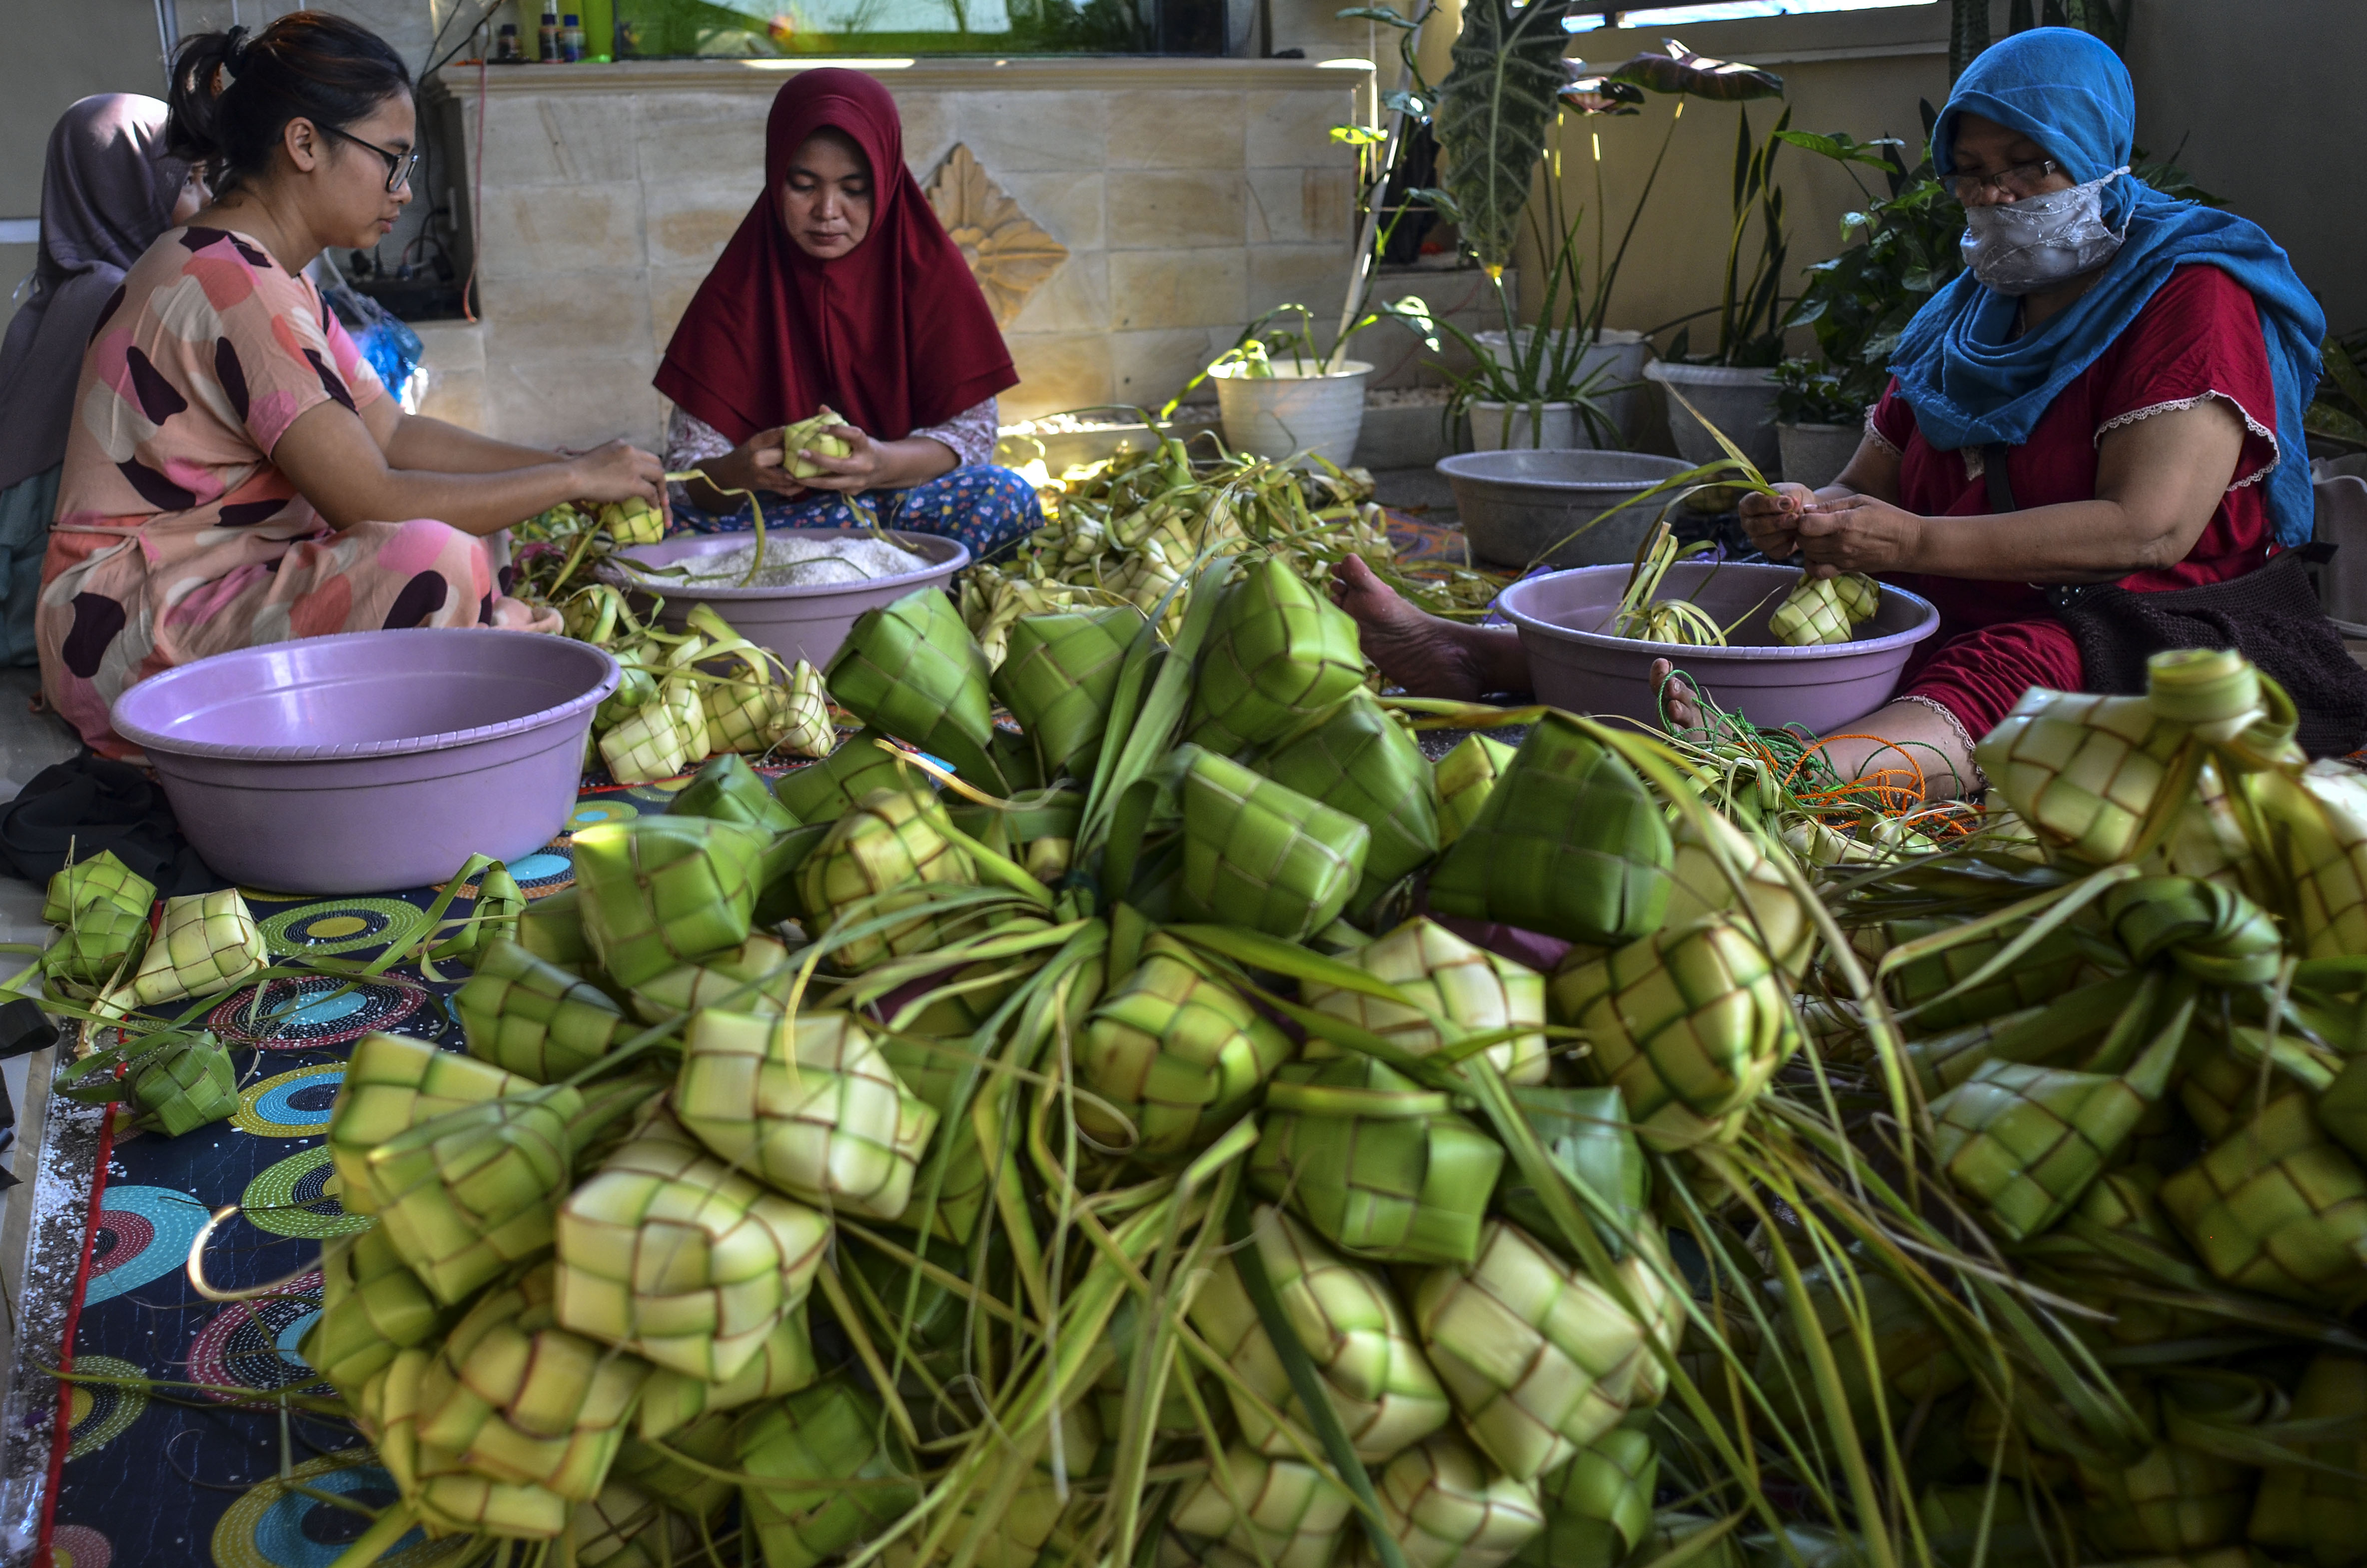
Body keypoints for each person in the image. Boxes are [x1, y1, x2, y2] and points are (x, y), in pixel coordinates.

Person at [1337, 27, 2359, 793]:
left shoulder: (2186, 293)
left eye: (2027, 166)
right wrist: (1805, 515)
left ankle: (1771, 777)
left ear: (2094, 153)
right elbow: (1863, 487)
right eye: (1970, 172)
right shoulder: (1968, 311)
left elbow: (2149, 526)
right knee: (1747, 598)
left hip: (2144, 612)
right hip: (1950, 583)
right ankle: (1486, 653)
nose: (1996, 197)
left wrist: (1907, 540)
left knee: (2013, 662)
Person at [42, 12, 667, 759]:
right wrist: (568, 479)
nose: (403, 192)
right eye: (392, 160)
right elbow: (368, 497)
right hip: (130, 630)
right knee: (436, 557)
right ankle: (480, 647)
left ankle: (479, 639)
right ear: (305, 143)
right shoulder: (231, 283)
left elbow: (394, 433)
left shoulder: (270, 274)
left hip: (205, 590)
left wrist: (571, 463)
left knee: (472, 531)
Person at [655, 68, 1042, 561]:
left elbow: (972, 437)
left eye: (855, 188)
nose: (827, 211)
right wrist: (739, 471)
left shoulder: (928, 271)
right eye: (803, 185)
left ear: (886, 182)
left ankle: (843, 579)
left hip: (899, 507)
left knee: (1002, 496)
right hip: (771, 521)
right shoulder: (739, 287)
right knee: (650, 524)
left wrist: (879, 464)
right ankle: (888, 580)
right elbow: (687, 476)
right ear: (776, 179)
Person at [0, 96, 206, 670]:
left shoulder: (56, 297)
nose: (207, 202)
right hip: (47, 611)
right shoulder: (114, 299)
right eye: (188, 181)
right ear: (125, 190)